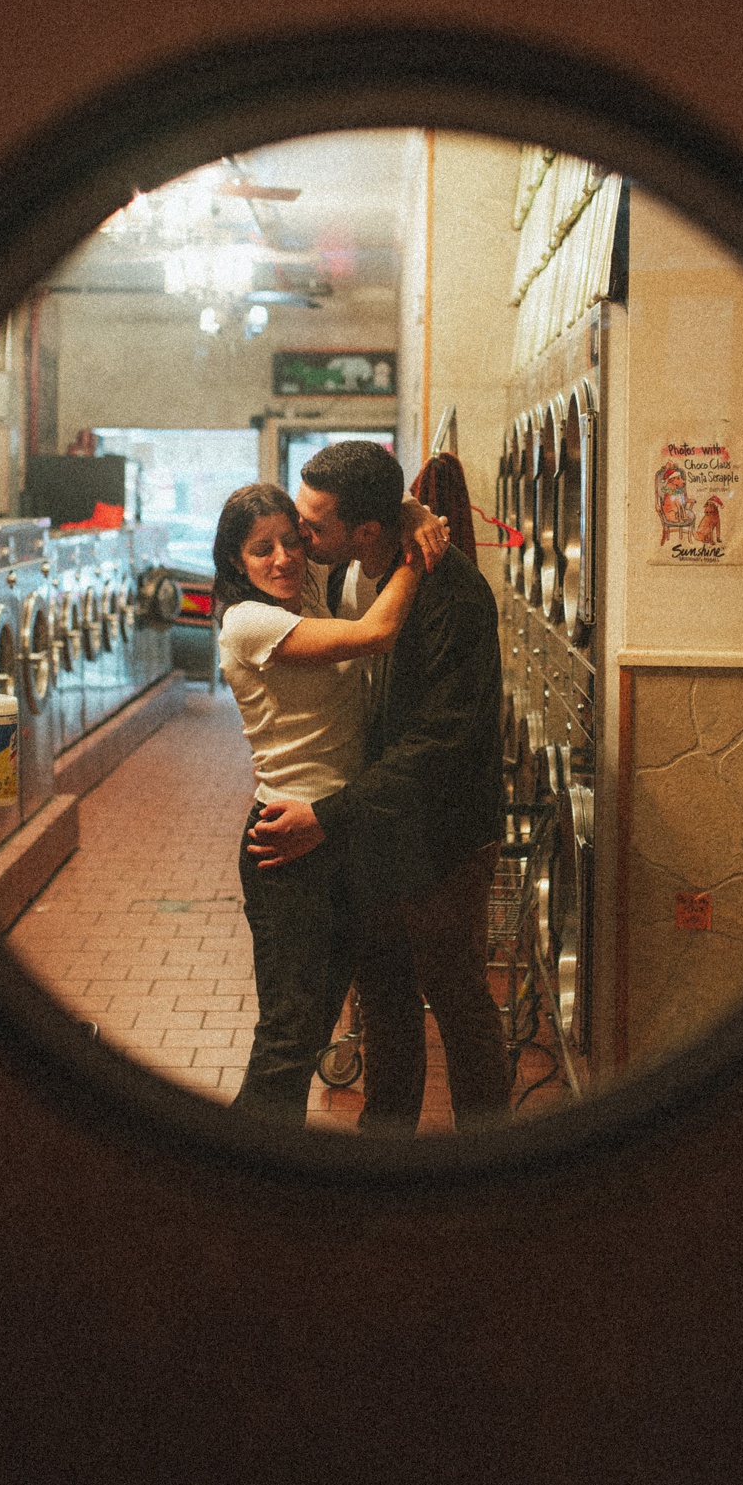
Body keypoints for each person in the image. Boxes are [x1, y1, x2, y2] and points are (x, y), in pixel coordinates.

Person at [249, 439, 511, 1134]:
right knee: (384, 999)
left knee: (456, 999)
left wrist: (328, 817)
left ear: (366, 530)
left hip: (442, 834)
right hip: (375, 828)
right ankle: (382, 1147)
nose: (299, 536)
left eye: (313, 524)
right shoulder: (342, 575)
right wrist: (409, 507)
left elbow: (437, 745)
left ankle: (489, 1157)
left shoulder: (451, 593)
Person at [213, 482, 428, 1123]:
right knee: (288, 1036)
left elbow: (357, 526)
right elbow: (378, 632)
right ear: (235, 564)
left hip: (339, 828)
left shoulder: (304, 588)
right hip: (287, 840)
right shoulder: (249, 621)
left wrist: (409, 512)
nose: (282, 558)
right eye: (261, 550)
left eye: (291, 541)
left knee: (312, 1025)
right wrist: (418, 554)